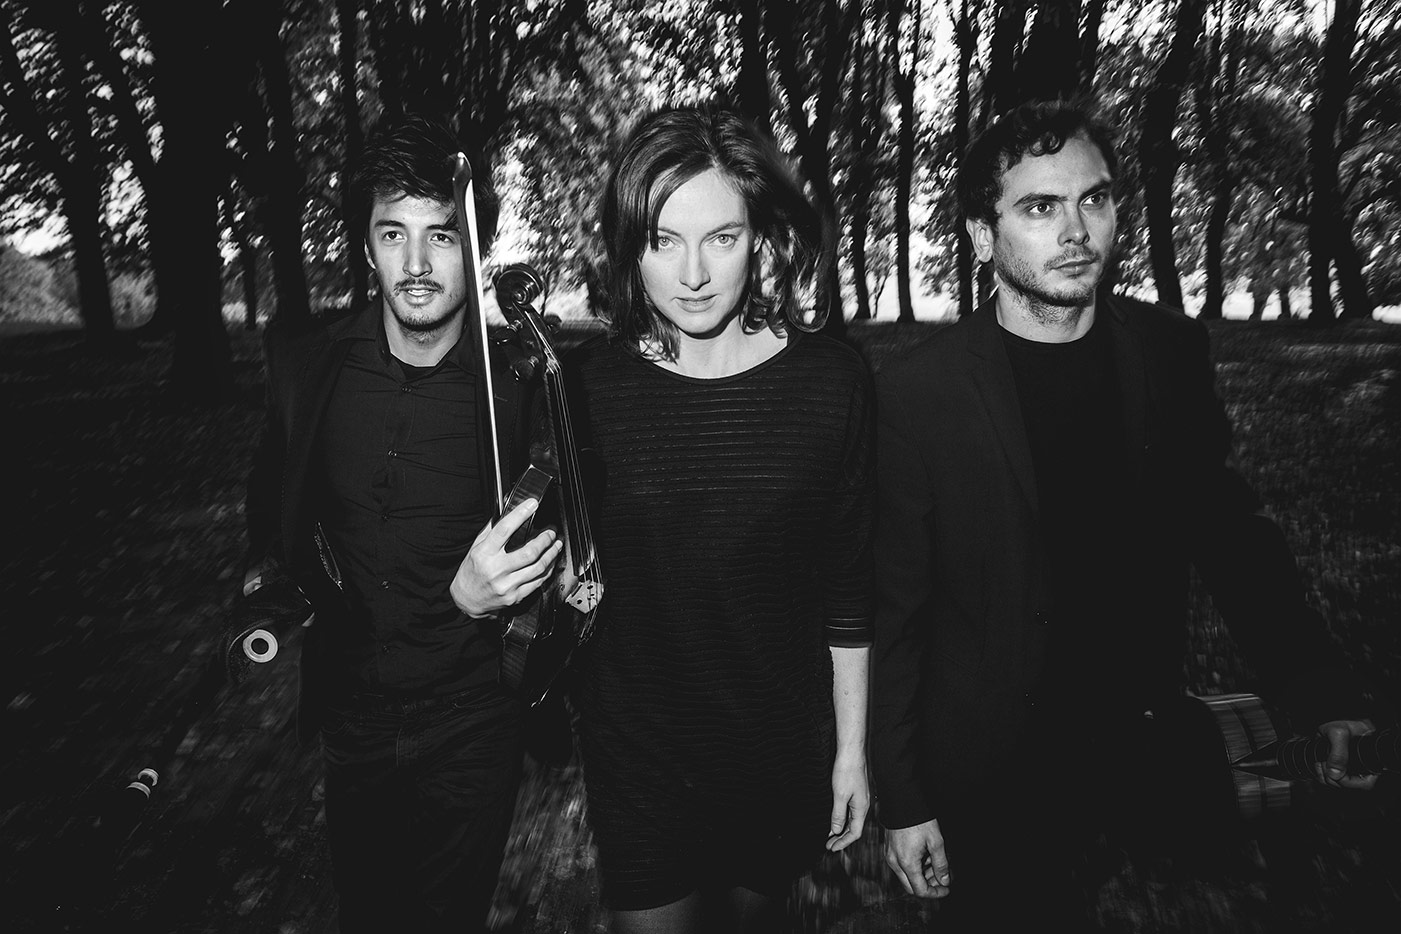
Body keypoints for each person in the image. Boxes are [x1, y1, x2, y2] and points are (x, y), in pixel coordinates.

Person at [869, 98, 1382, 928]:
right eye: (1039, 207)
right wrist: (901, 799)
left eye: (1094, 199)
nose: (1075, 230)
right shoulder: (914, 396)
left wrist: (1319, 689)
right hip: (991, 766)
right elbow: (893, 612)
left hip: (1136, 732)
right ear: (980, 235)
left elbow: (1229, 533)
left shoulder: (1166, 352)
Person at [238, 111, 561, 933]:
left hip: (473, 721)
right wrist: (274, 583)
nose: (415, 265)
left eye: (441, 236)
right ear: (368, 245)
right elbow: (270, 507)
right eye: (393, 235)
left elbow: (572, 553)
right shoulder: (306, 367)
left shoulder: (521, 386)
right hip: (353, 716)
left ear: (474, 246)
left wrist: (517, 588)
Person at [565, 102, 874, 933]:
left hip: (774, 751)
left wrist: (851, 751)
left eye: (721, 237)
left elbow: (848, 587)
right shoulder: (582, 390)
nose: (693, 273)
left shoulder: (832, 383)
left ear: (761, 238)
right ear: (629, 247)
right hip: (639, 761)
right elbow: (569, 581)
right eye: (662, 240)